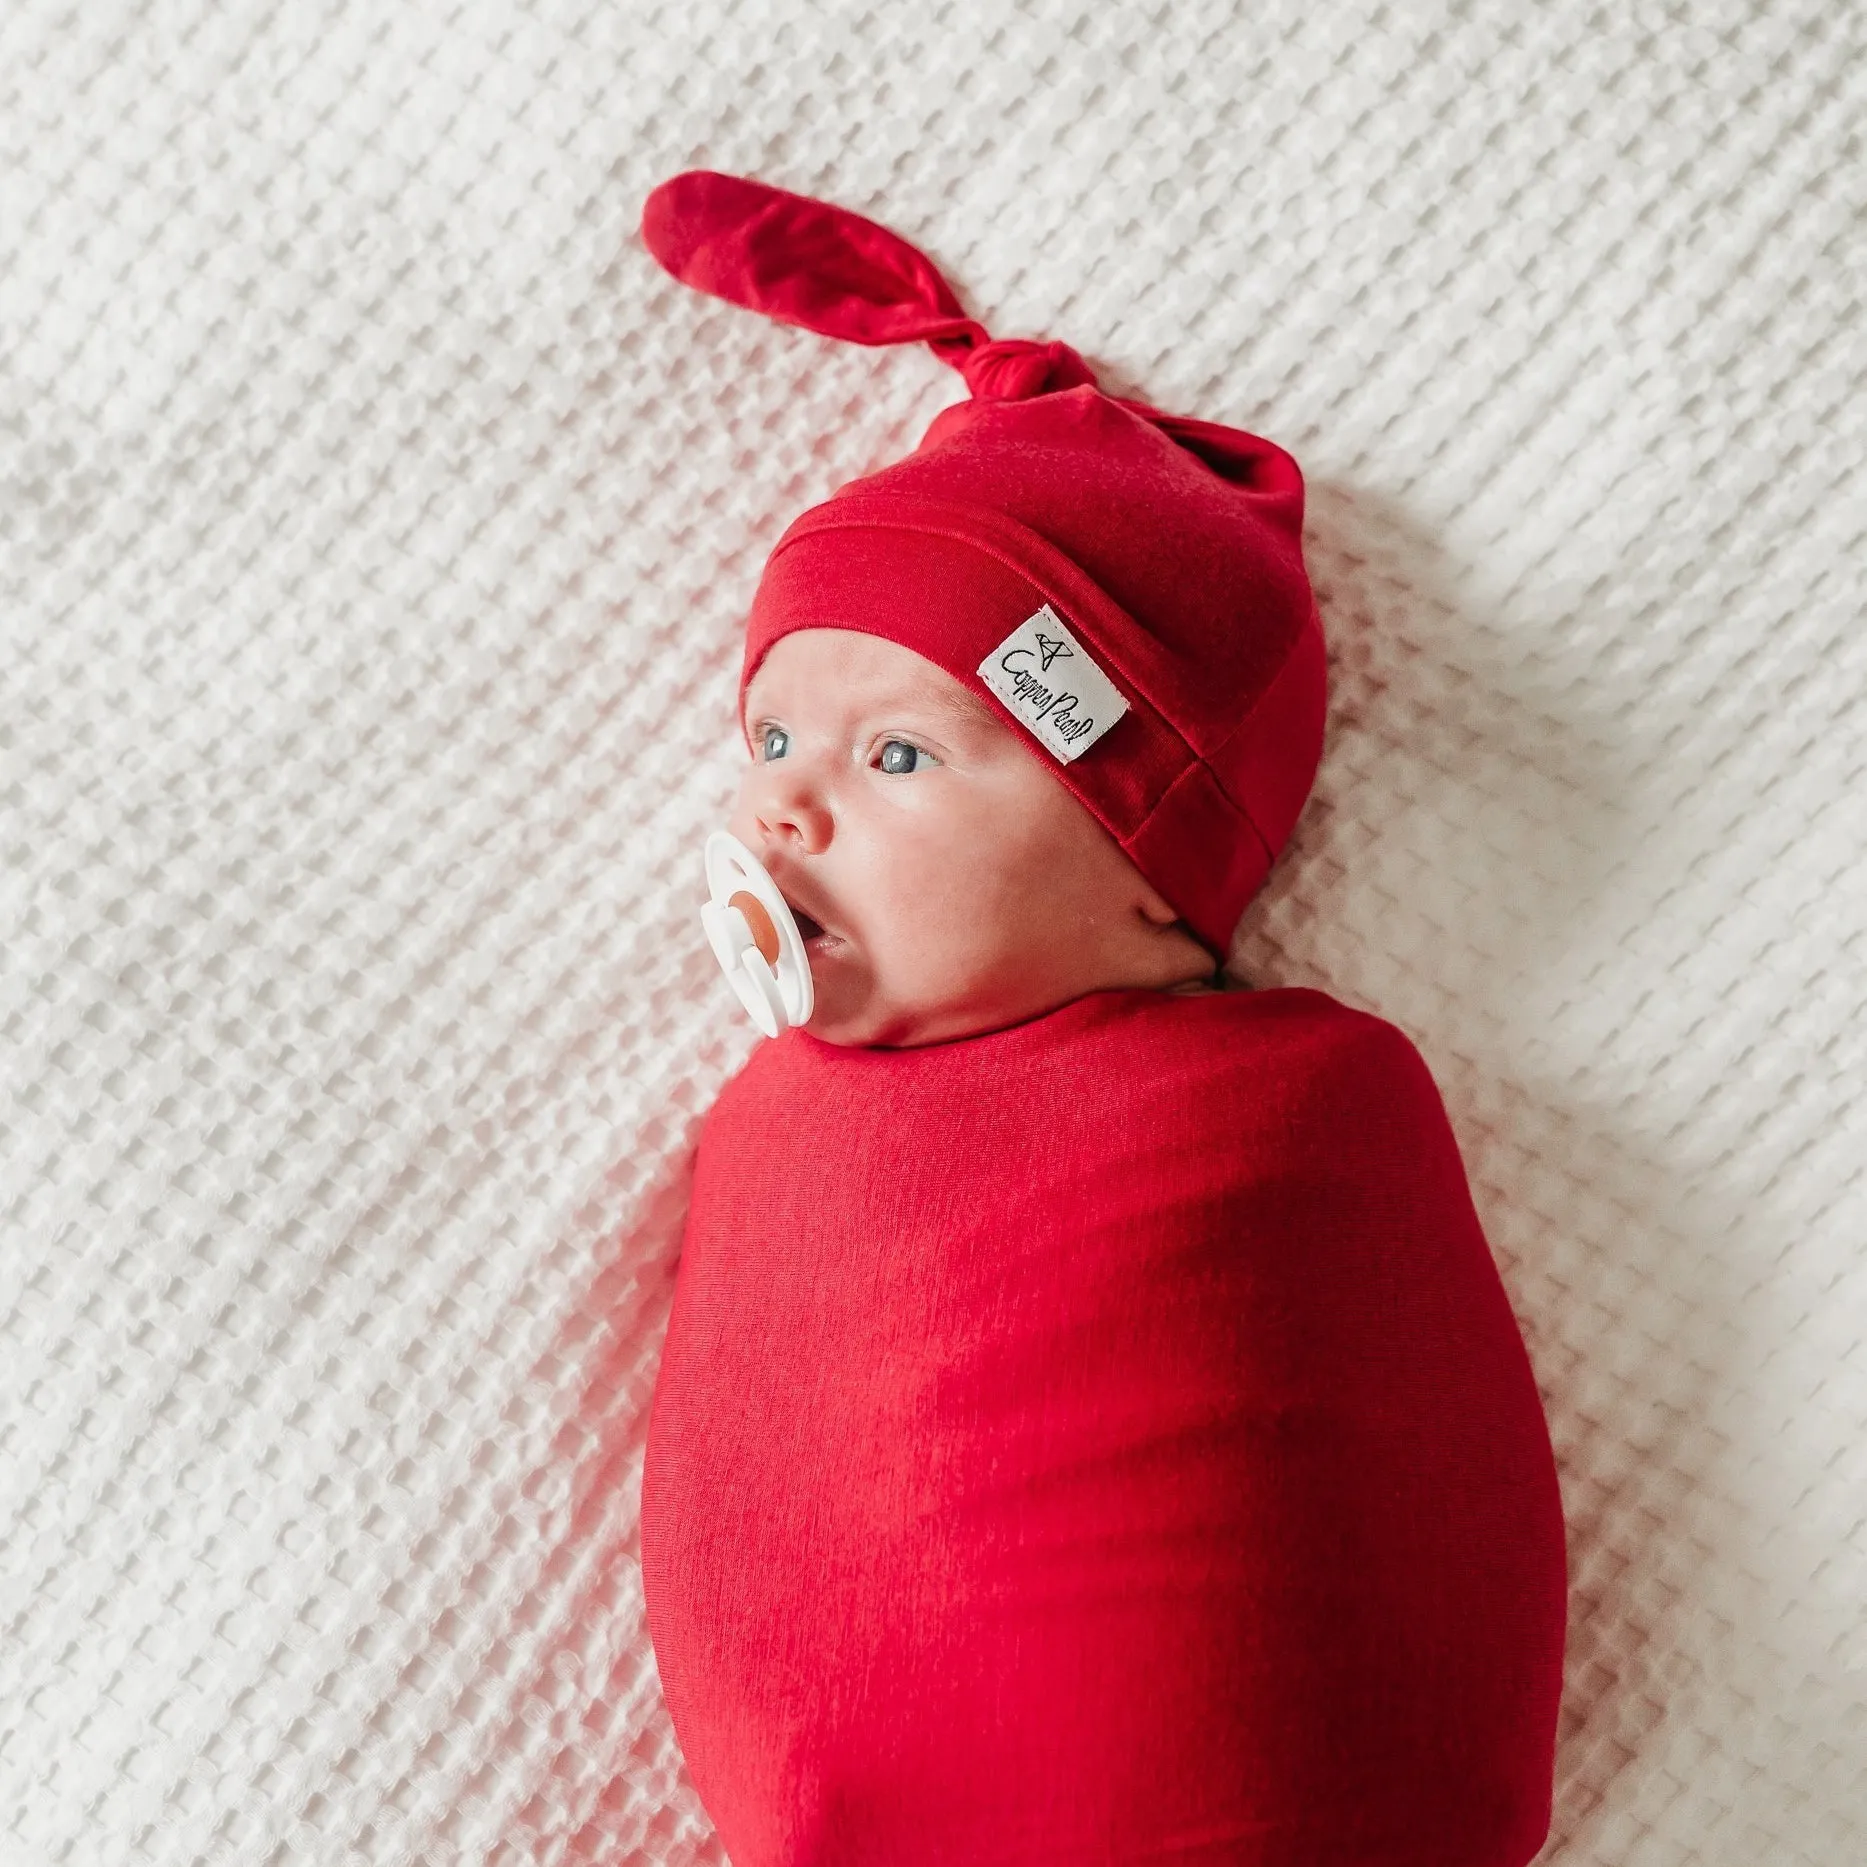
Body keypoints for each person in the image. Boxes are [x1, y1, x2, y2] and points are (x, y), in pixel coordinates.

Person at [636, 169, 1568, 1866]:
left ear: (1146, 850)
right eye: (771, 742)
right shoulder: (768, 1126)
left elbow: (1425, 1528)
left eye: (894, 756)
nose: (782, 812)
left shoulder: (1288, 1111)